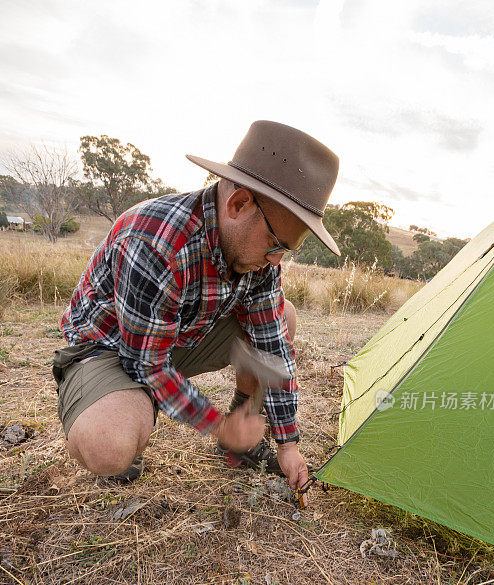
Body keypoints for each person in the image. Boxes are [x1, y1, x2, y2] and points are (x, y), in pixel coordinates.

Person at [53, 120, 340, 502]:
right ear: (239, 204)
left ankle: (239, 442)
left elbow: (272, 343)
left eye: (284, 250)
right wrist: (218, 425)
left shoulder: (261, 261)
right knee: (110, 447)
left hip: (174, 340)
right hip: (110, 349)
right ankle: (118, 406)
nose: (276, 260)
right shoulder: (153, 241)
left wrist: (288, 443)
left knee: (282, 317)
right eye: (275, 244)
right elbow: (147, 364)